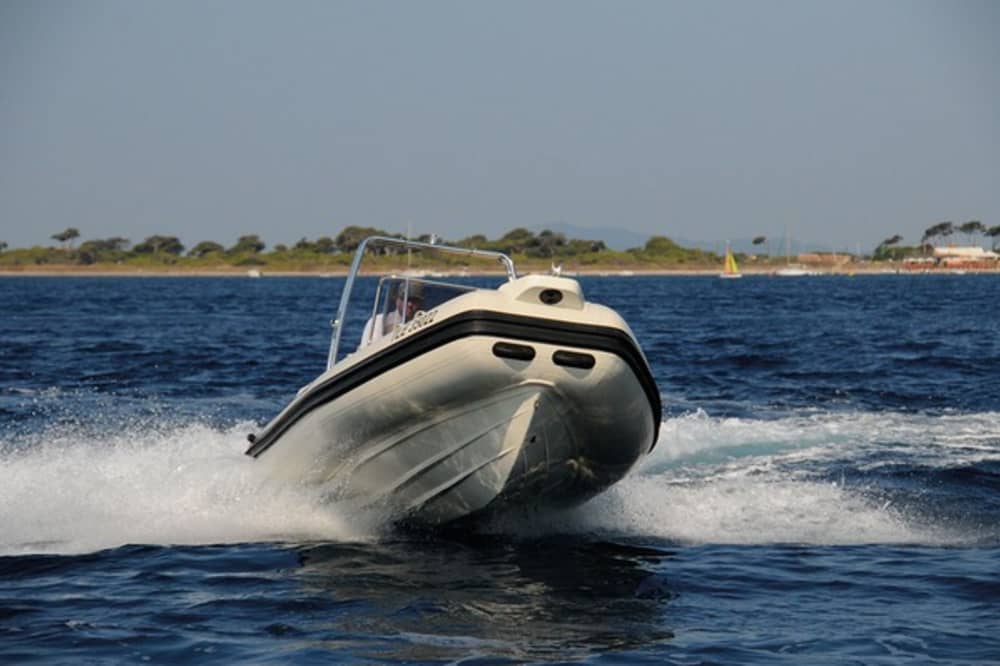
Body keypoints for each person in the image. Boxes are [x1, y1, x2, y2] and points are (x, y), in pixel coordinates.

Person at [361, 280, 424, 346]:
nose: (410, 304)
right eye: (405, 298)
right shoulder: (378, 321)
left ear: (420, 302)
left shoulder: (423, 322)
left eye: (414, 300)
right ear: (397, 300)